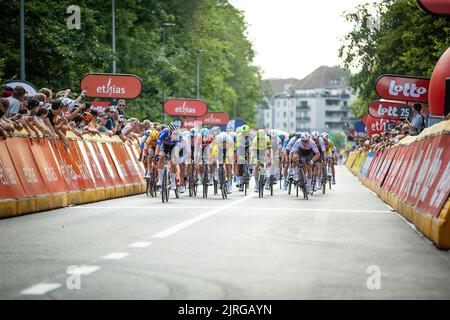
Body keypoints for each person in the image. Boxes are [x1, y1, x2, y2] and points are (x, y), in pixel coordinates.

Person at [250, 129, 272, 193]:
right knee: (256, 166)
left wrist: (269, 158)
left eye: (262, 138)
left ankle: (267, 180)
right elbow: (253, 151)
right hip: (256, 151)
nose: (260, 139)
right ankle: (256, 184)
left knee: (267, 163)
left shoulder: (267, 139)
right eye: (259, 138)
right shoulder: (254, 140)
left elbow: (269, 149)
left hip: (264, 151)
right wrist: (252, 158)